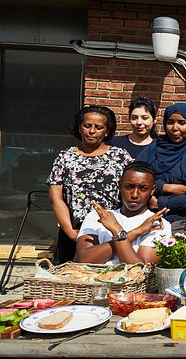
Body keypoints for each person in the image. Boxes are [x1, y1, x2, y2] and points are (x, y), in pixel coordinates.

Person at [47, 105, 133, 264]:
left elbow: (132, 190)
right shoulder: (65, 157)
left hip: (110, 229)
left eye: (99, 127)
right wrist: (71, 232)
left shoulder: (120, 156)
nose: (92, 131)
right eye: (87, 126)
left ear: (107, 131)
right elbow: (56, 198)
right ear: (79, 128)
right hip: (75, 230)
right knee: (71, 281)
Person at [76, 161, 171, 265]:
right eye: (129, 187)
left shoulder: (158, 224)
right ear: (119, 185)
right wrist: (136, 232)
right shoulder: (98, 216)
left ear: (152, 190)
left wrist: (116, 230)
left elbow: (140, 270)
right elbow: (84, 259)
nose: (135, 194)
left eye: (143, 188)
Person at [137, 103, 186, 223]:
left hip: (184, 221)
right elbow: (135, 178)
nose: (174, 128)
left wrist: (159, 203)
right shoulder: (154, 148)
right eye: (170, 122)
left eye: (182, 123)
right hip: (147, 217)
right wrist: (166, 187)